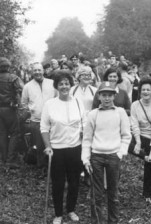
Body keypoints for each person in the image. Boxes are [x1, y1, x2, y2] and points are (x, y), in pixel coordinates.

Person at [82, 81, 131, 224]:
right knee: (96, 194)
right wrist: (86, 159)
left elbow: (126, 135)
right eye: (104, 95)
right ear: (99, 96)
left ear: (114, 96)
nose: (107, 98)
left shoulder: (120, 112)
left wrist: (121, 152)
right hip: (96, 157)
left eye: (110, 95)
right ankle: (96, 221)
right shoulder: (93, 114)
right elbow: (87, 139)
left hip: (113, 156)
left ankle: (113, 221)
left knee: (113, 193)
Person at [41, 70, 85, 224]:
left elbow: (84, 124)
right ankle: (58, 213)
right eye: (61, 84)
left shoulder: (78, 102)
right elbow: (44, 128)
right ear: (56, 86)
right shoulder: (49, 104)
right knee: (58, 183)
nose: (64, 86)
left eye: (67, 83)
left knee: (74, 181)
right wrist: (48, 146)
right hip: (57, 150)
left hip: (75, 148)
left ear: (70, 84)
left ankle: (71, 209)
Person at [130, 77, 151, 203]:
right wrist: (138, 142)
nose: (145, 92)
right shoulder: (135, 105)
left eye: (148, 90)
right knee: (126, 141)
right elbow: (134, 125)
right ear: (140, 91)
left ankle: (147, 194)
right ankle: (144, 156)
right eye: (143, 89)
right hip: (139, 135)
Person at [21, 62, 57, 168]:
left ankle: (54, 164)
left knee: (54, 142)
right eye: (35, 70)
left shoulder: (52, 83)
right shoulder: (27, 86)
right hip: (36, 120)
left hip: (52, 119)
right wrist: (29, 113)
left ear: (43, 71)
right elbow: (23, 103)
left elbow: (58, 98)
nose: (37, 72)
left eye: (39, 70)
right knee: (39, 145)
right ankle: (41, 166)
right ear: (32, 72)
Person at [0, 57, 23, 168]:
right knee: (15, 133)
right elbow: (19, 92)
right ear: (8, 66)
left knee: (2, 134)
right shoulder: (13, 78)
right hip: (10, 109)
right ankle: (11, 160)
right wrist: (19, 106)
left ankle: (3, 159)